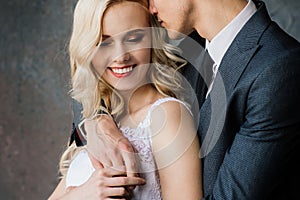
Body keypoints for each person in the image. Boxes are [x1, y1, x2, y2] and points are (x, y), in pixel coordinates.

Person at [83, 0, 300, 199]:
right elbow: (101, 71)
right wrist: (97, 122)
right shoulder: (189, 46)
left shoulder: (278, 68)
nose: (150, 8)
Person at [48, 0, 202, 199]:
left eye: (134, 38)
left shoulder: (167, 116)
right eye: (105, 42)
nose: (121, 57)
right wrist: (83, 194)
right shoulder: (100, 119)